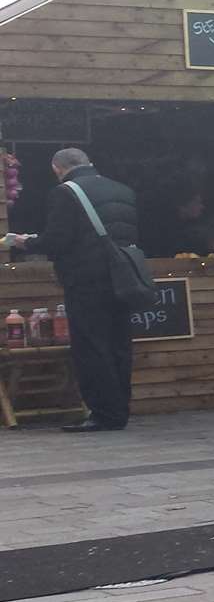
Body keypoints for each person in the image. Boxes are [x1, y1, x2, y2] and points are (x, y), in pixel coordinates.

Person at [2, 149, 139, 432]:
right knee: (119, 345)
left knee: (92, 346)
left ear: (57, 168)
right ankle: (120, 410)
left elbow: (57, 240)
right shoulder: (122, 189)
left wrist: (23, 242)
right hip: (122, 278)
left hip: (86, 281)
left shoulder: (66, 193)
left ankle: (103, 413)